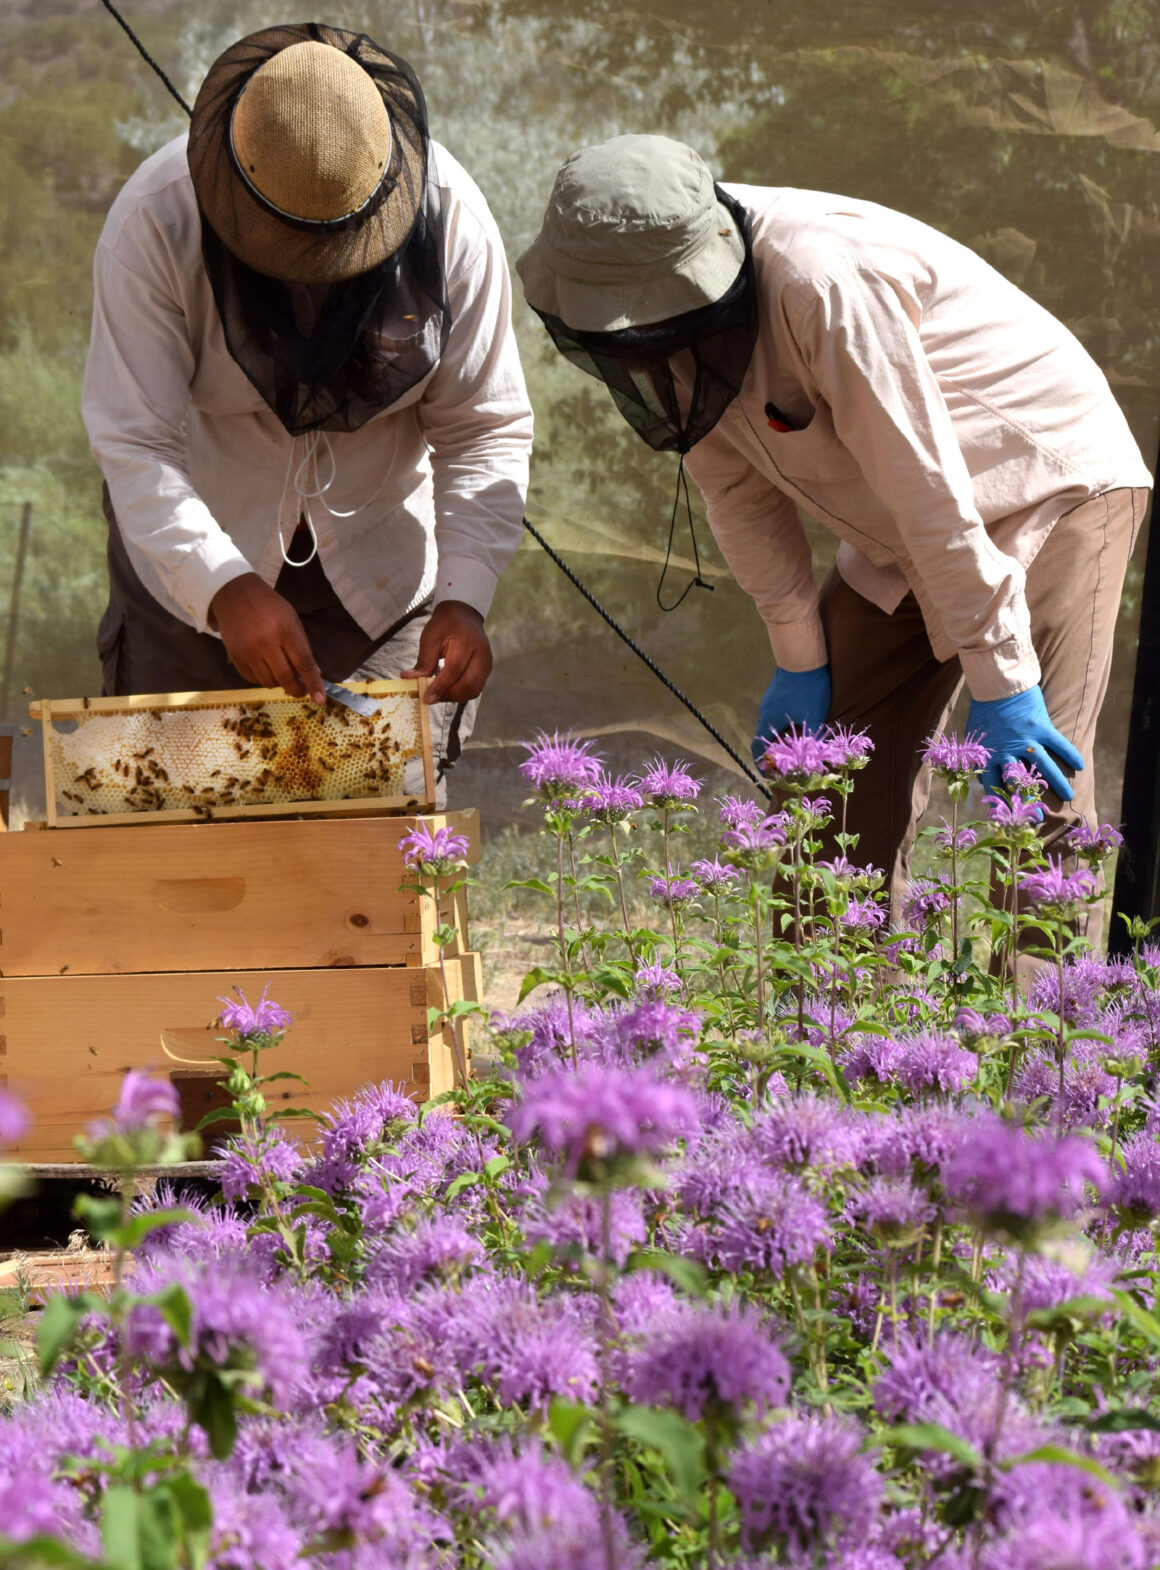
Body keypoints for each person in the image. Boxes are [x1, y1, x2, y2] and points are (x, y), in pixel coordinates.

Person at [516, 133, 1151, 930]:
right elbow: (737, 492)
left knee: (1036, 792)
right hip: (909, 523)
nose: (642, 355)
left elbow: (926, 490)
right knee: (822, 776)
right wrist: (800, 657)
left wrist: (1004, 679)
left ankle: (1043, 1010)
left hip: (1047, 477)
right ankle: (827, 1002)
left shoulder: (819, 283)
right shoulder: (656, 304)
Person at [82, 22, 532, 796]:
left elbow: (482, 429)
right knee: (175, 824)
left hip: (385, 584)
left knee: (378, 836)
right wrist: (223, 586)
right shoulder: (153, 220)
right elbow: (135, 444)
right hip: (186, 571)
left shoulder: (455, 223)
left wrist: (465, 597)